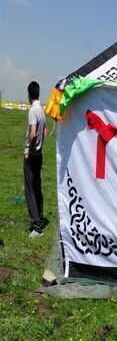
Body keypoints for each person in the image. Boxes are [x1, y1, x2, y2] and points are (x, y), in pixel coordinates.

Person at [24, 80, 48, 238]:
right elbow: (43, 132)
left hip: (33, 155)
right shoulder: (42, 110)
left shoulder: (33, 110)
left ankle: (36, 227)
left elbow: (33, 133)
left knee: (30, 190)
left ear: (29, 94)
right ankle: (40, 218)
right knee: (37, 188)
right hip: (39, 154)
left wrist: (29, 150)